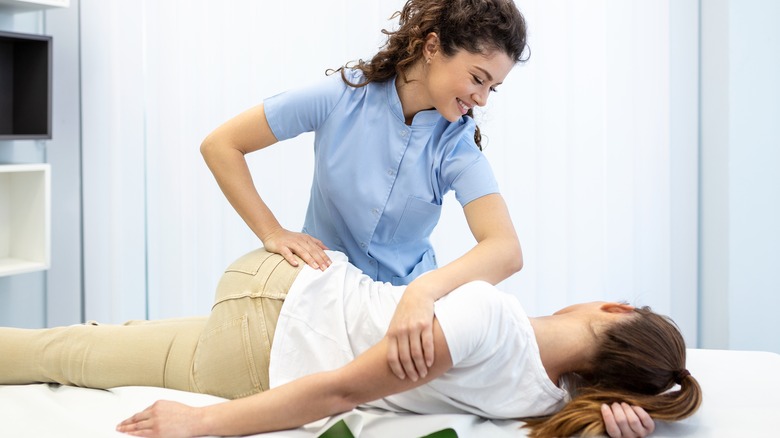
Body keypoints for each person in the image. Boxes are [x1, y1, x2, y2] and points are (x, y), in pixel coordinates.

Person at [0, 248, 701, 438]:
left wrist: (200, 424)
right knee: (83, 347)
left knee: (63, 354)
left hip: (271, 322)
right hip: (276, 313)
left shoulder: (487, 316)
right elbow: (572, 410)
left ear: (614, 307)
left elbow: (340, 391)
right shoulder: (545, 399)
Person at [200, 0, 527, 381]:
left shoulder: (454, 146)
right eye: (477, 78)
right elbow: (221, 145)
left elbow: (506, 250)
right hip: (317, 302)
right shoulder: (342, 96)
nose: (482, 98)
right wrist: (272, 232)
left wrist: (421, 293)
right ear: (433, 47)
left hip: (397, 321)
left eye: (493, 87)